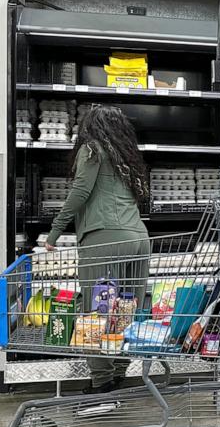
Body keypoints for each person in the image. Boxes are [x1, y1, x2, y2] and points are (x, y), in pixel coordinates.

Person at [44, 105, 150, 394]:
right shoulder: (127, 157)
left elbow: (79, 192)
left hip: (105, 239)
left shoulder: (91, 149)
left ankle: (101, 383)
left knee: (96, 311)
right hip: (138, 239)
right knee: (126, 310)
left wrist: (54, 232)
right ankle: (117, 373)